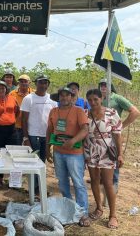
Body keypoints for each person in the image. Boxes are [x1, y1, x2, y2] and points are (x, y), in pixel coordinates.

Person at [46, 87, 90, 227]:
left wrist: (73, 141)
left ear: (72, 97)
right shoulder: (54, 111)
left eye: (67, 95)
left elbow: (85, 129)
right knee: (62, 181)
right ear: (58, 98)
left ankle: (83, 213)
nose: (64, 98)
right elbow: (49, 130)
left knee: (78, 182)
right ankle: (69, 208)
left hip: (75, 154)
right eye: (61, 95)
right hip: (58, 152)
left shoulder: (79, 111)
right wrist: (47, 148)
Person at [84, 89, 123, 229]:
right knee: (94, 180)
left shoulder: (111, 113)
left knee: (108, 182)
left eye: (96, 99)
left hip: (107, 150)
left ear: (101, 99)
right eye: (90, 100)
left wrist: (120, 154)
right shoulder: (85, 113)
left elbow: (117, 135)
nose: (93, 102)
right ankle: (99, 208)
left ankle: (113, 215)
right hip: (90, 150)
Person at [98, 78, 139, 191]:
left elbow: (135, 112)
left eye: (106, 84)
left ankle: (113, 185)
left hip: (113, 136)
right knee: (101, 157)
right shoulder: (99, 98)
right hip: (100, 136)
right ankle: (102, 179)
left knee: (114, 159)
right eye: (101, 84)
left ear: (111, 86)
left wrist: (121, 126)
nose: (103, 87)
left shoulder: (117, 98)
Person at [21, 74, 57, 193]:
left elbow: (53, 120)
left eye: (45, 82)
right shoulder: (29, 98)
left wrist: (52, 138)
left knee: (42, 161)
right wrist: (26, 138)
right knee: (34, 162)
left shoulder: (52, 100)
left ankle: (38, 187)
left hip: (46, 136)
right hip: (33, 135)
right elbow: (24, 120)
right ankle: (35, 188)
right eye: (40, 82)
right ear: (36, 84)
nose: (43, 85)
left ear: (48, 84)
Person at [9, 74, 34, 145]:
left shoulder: (34, 93)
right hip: (17, 126)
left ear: (29, 83)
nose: (23, 83)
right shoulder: (12, 94)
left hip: (30, 126)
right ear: (18, 83)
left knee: (30, 148)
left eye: (25, 81)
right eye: (21, 81)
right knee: (17, 147)